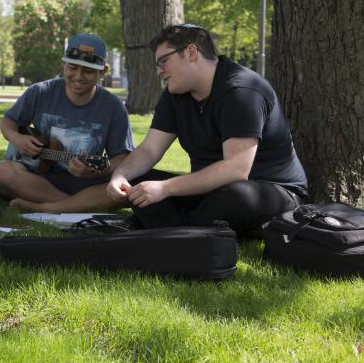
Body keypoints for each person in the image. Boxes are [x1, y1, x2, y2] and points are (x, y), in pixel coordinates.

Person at [106, 24, 307, 235]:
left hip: (268, 192)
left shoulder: (241, 90)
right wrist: (121, 176)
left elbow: (236, 170)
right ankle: (187, 231)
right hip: (209, 191)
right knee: (139, 180)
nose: (159, 70)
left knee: (234, 197)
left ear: (191, 52)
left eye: (163, 61)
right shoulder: (174, 95)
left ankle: (175, 229)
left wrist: (166, 188)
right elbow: (149, 150)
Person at [0, 33, 134, 212]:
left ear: (102, 72)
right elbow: (8, 122)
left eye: (88, 71)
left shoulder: (113, 107)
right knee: (2, 172)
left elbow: (122, 158)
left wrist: (98, 171)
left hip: (87, 183)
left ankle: (45, 207)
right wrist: (17, 139)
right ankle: (73, 206)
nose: (78, 76)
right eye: (72, 67)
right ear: (64, 65)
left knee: (127, 189)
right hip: (38, 179)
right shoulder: (40, 92)